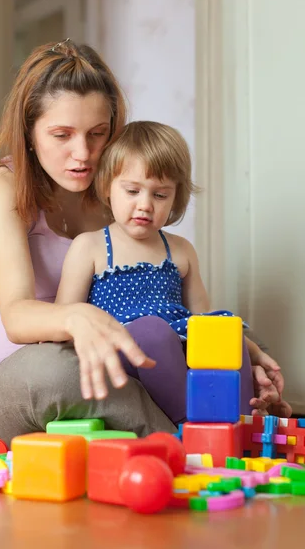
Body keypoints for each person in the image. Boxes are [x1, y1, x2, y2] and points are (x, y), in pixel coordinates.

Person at [0, 39, 289, 448]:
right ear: (29, 132)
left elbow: (166, 314)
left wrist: (242, 349)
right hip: (8, 379)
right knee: (58, 369)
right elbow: (17, 318)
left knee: (232, 337)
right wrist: (78, 318)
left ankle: (239, 422)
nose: (83, 153)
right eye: (62, 135)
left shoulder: (112, 197)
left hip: (105, 362)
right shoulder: (0, 188)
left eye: (97, 134)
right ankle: (194, 446)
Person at [55, 120, 291, 425]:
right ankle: (189, 424)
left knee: (224, 328)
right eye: (132, 190)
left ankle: (245, 421)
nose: (144, 205)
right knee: (152, 331)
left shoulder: (180, 250)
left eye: (160, 195)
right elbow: (64, 319)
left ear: (175, 197)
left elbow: (203, 320)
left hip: (179, 353)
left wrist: (255, 353)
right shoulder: (90, 246)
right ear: (108, 188)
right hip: (123, 352)